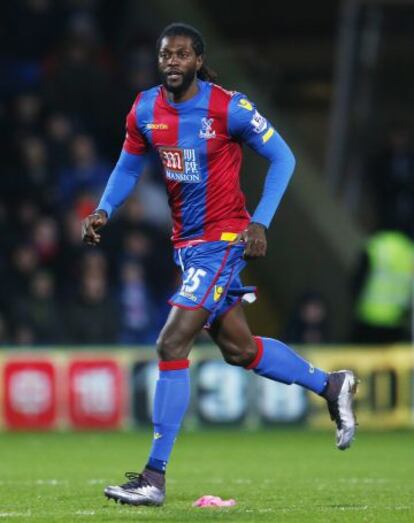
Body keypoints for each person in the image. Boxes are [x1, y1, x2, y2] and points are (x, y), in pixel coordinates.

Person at [81, 23, 358, 507]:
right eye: (165, 54)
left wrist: (261, 222)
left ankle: (154, 477)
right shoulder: (145, 108)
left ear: (198, 60)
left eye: (182, 55)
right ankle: (330, 384)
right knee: (239, 349)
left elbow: (284, 158)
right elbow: (127, 165)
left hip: (224, 241)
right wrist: (105, 208)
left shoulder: (228, 106)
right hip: (187, 245)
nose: (172, 62)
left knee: (171, 341)